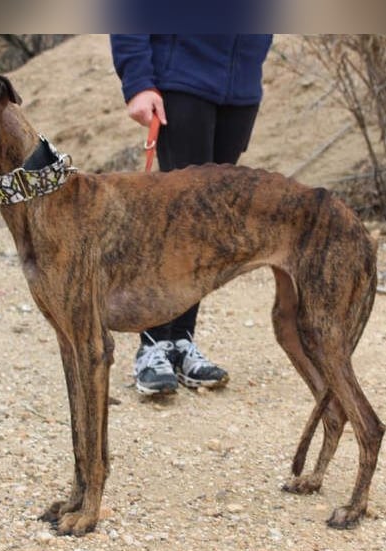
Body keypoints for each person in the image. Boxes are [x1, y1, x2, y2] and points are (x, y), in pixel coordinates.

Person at [110, 34, 273, 396]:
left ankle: (182, 341)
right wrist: (138, 81)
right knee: (175, 223)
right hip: (181, 79)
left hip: (241, 87)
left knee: (206, 226)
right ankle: (153, 345)